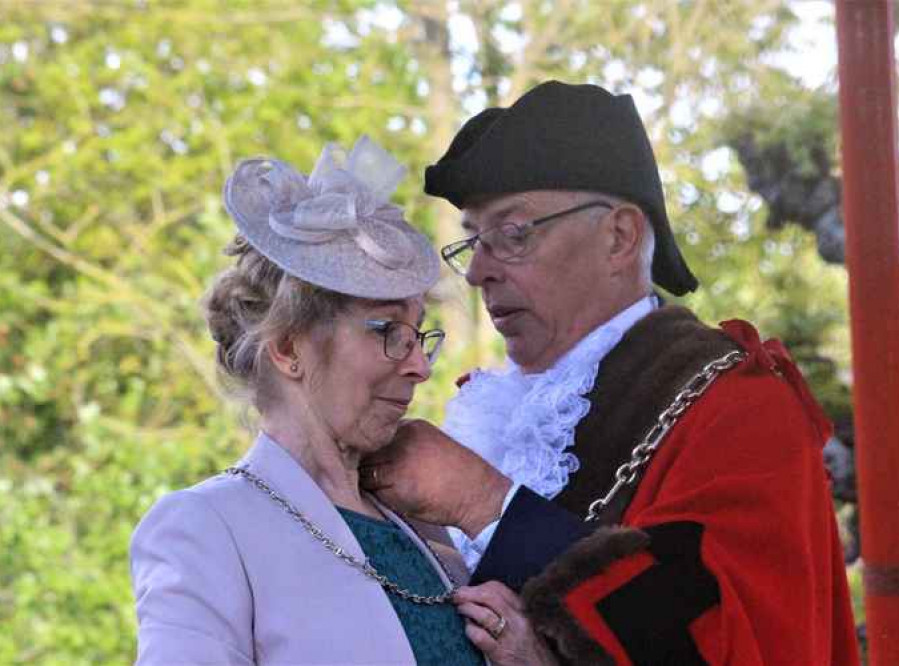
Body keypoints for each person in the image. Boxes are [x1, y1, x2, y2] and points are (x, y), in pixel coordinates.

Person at [361, 81, 861, 665]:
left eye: (512, 233)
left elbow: (726, 643)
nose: (478, 273)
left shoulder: (739, 407)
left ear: (619, 237)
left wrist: (485, 504)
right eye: (474, 241)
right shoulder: (489, 409)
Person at [129, 136, 491, 665]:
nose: (419, 364)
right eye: (388, 330)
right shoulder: (205, 526)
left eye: (418, 335)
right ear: (288, 347)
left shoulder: (422, 524)